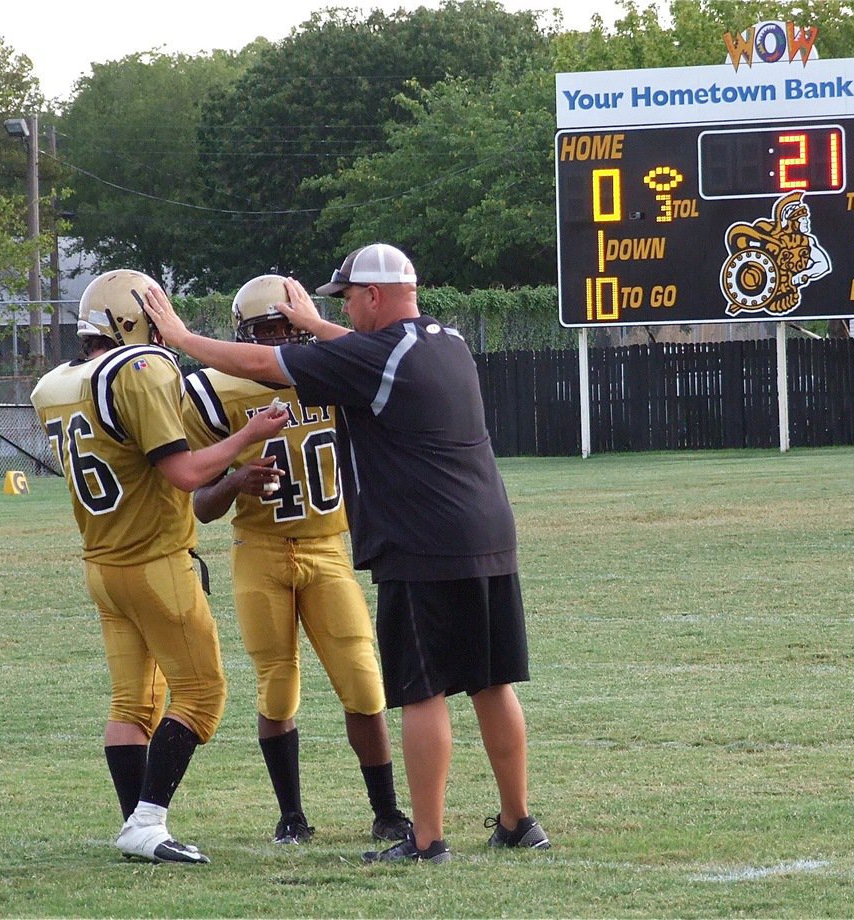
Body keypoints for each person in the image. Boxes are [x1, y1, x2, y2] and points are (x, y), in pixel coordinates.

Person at [143, 244, 549, 864]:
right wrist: (314, 324)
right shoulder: (448, 342)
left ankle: (426, 839)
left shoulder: (376, 354)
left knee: (422, 692)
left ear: (375, 296)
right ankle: (519, 821)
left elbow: (262, 361)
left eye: (350, 298)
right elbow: (368, 351)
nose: (345, 310)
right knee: (492, 684)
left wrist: (179, 336)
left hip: (422, 541)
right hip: (488, 532)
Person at [31, 269, 288, 864]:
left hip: (103, 565)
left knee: (131, 704)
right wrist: (248, 434)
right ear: (133, 322)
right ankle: (148, 821)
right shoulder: (140, 367)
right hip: (155, 563)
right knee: (202, 695)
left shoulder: (57, 383)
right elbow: (185, 474)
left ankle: (135, 828)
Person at [179, 274, 412, 847]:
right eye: (266, 332)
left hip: (327, 546)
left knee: (364, 684)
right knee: (277, 687)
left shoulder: (333, 374)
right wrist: (235, 481)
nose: (279, 342)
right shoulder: (214, 391)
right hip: (259, 549)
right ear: (244, 335)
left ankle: (386, 811)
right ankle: (291, 816)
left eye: (288, 329)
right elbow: (201, 505)